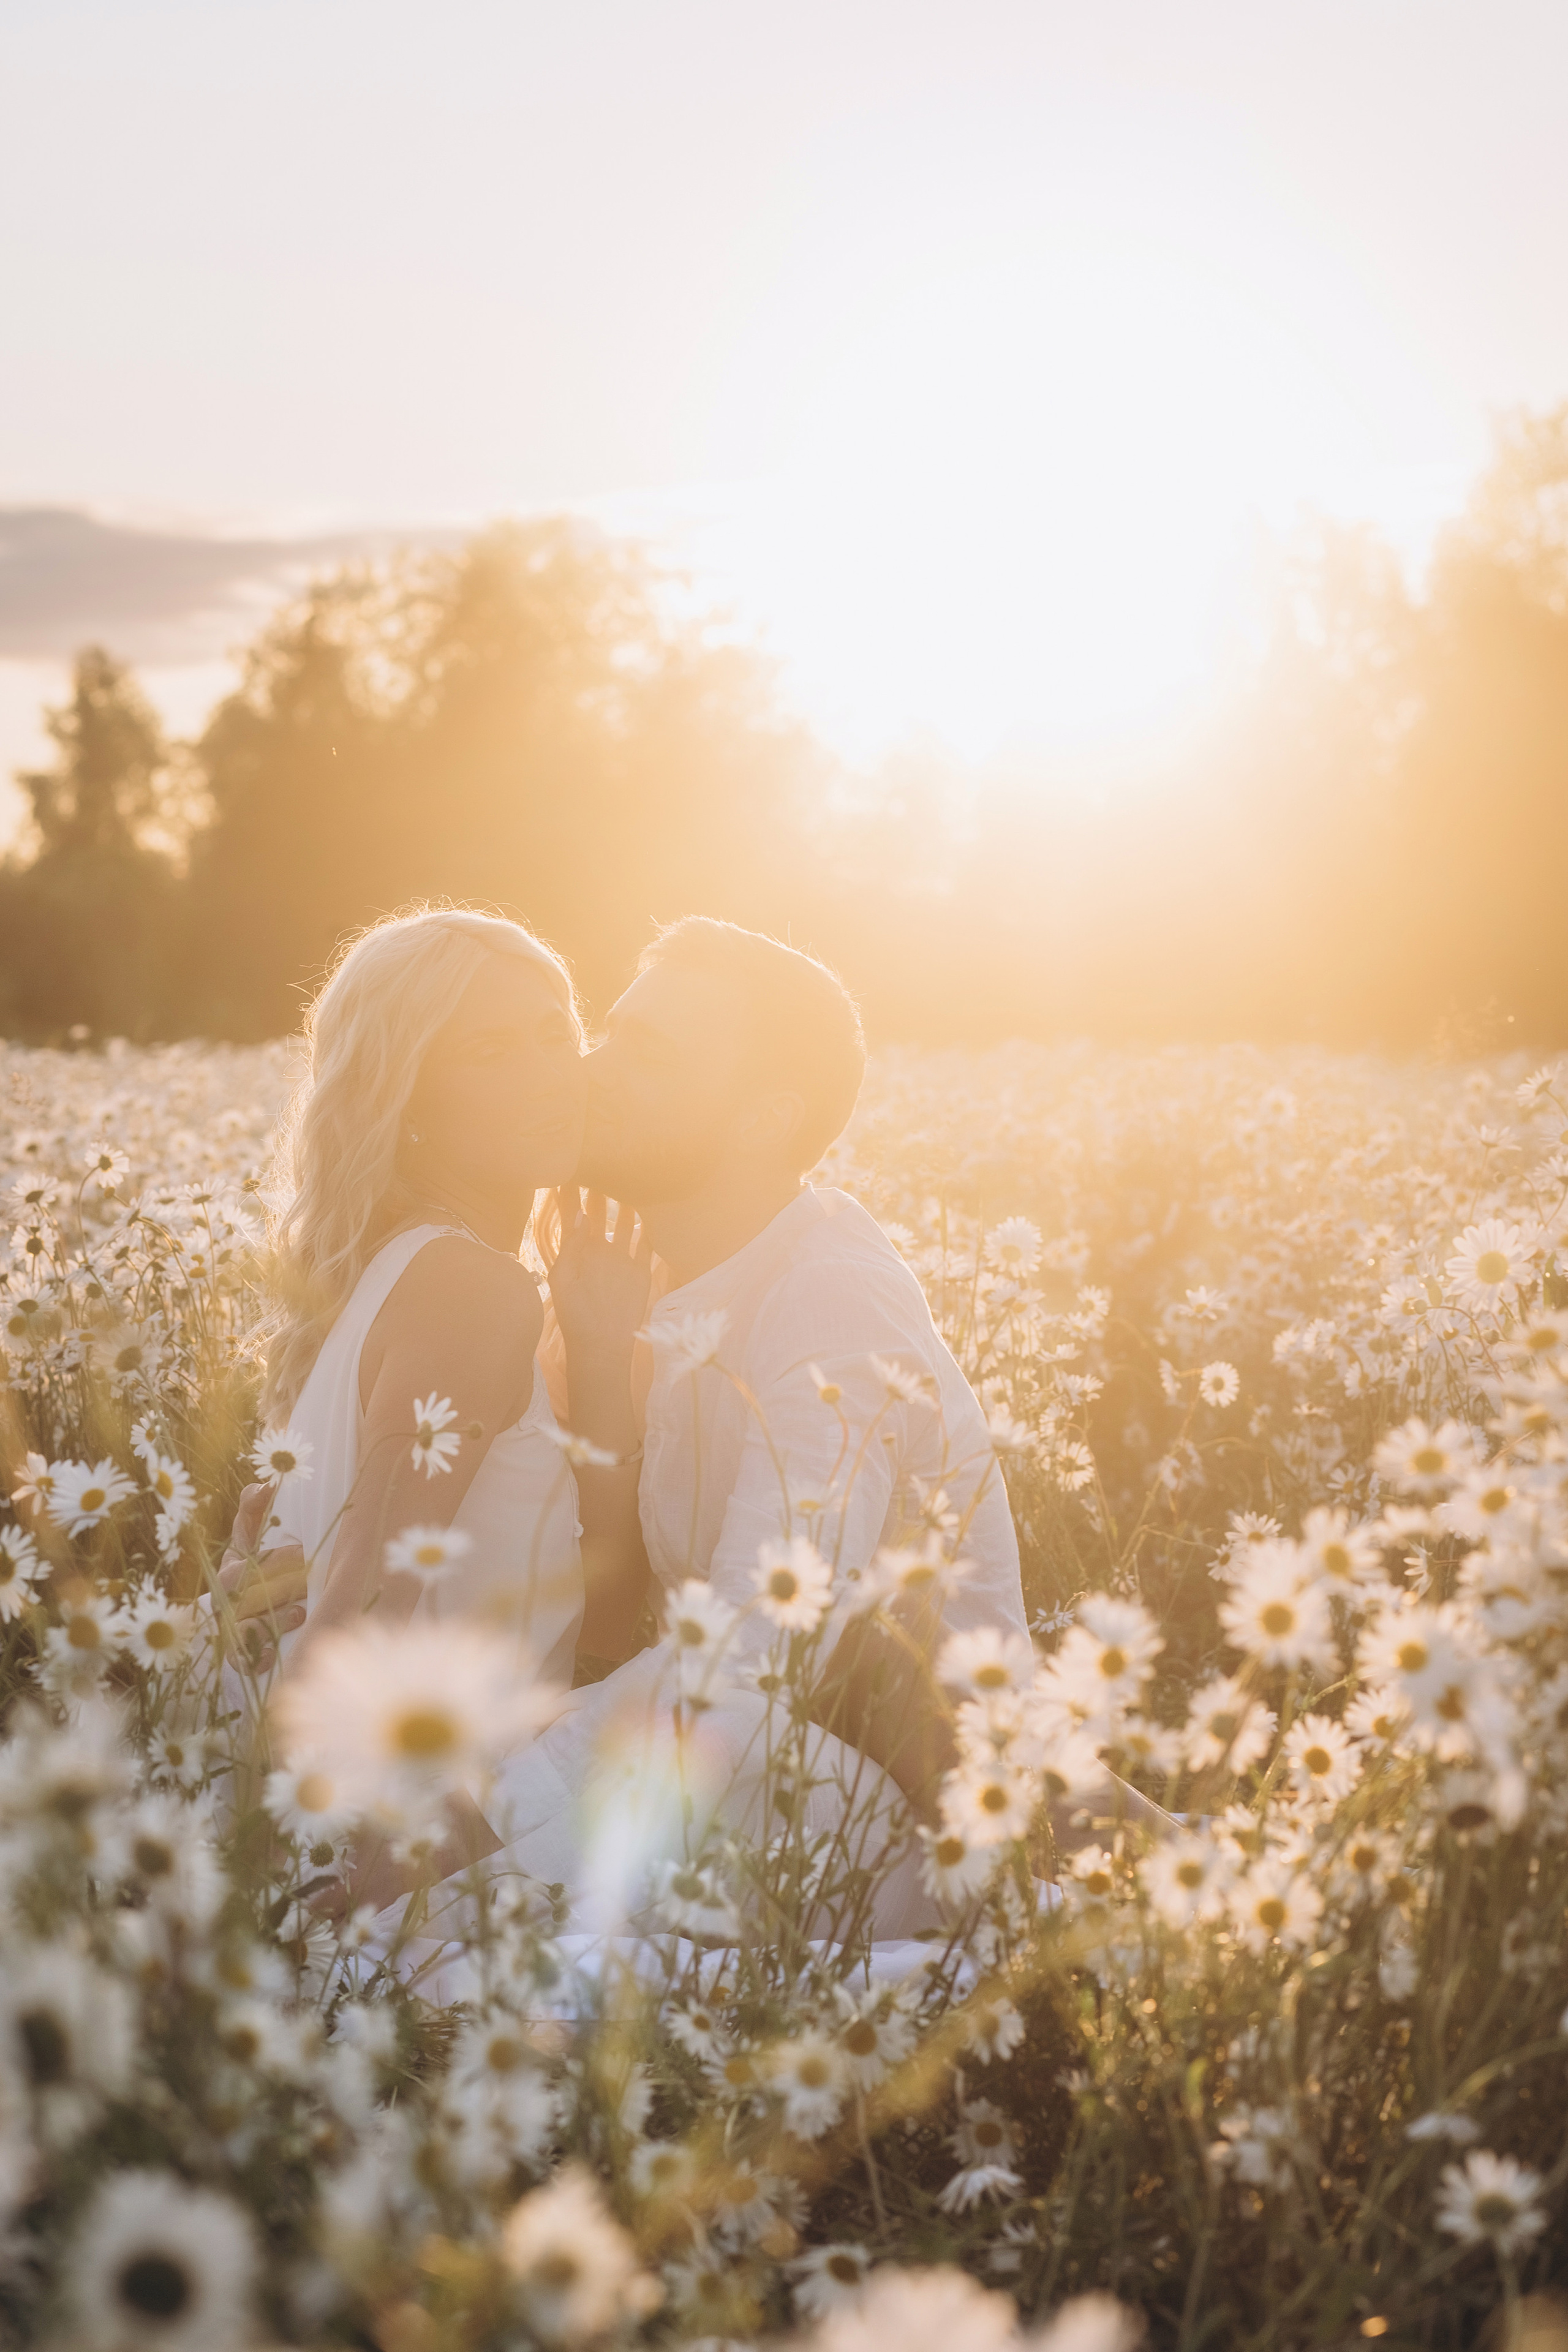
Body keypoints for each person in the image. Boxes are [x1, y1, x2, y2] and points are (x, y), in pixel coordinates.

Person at [221, 907, 628, 1885]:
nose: (549, 1074)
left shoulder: (400, 1274)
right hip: (420, 1851)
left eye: (553, 1036)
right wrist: (290, 1886)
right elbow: (361, 1610)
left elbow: (595, 1611)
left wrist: (605, 1360)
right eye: (492, 1051)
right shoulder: (471, 1288)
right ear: (407, 1096)